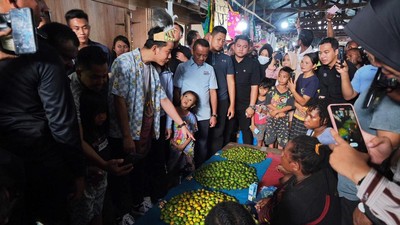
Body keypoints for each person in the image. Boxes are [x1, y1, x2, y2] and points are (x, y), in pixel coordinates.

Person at [0, 1, 85, 224]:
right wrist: (77, 172)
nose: (44, 6)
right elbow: (62, 123)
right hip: (39, 168)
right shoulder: (43, 54)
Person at [109, 26, 194, 216]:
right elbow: (119, 100)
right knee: (123, 176)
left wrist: (181, 124)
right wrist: (126, 136)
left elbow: (163, 98)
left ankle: (138, 205)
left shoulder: (151, 70)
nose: (170, 56)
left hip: (144, 133)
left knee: (139, 171)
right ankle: (122, 215)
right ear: (155, 48)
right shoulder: (124, 62)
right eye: (168, 51)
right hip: (126, 134)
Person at [329, 0, 400, 224]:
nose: (376, 60)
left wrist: (361, 176)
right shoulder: (387, 78)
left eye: (383, 53)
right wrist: (387, 149)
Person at [255, 136, 340, 225]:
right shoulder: (322, 167)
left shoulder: (294, 201)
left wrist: (267, 209)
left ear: (295, 166)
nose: (281, 155)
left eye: (284, 154)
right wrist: (271, 200)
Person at [173, 38, 218, 168]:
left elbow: (212, 92)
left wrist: (214, 114)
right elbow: (176, 89)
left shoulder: (209, 69)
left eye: (205, 55)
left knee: (202, 143)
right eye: (199, 54)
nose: (202, 58)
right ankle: (185, 171)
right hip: (184, 115)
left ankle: (200, 170)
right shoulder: (182, 67)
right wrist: (179, 110)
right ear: (192, 51)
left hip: (203, 114)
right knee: (183, 143)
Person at [70, 90, 110, 225]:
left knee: (98, 210)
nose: (102, 117)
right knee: (85, 214)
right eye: (97, 113)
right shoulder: (83, 136)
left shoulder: (102, 130)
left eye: (104, 112)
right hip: (87, 182)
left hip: (102, 179)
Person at [206, 26, 235, 155]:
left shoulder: (227, 59)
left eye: (223, 40)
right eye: (218, 39)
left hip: (222, 100)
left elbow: (231, 82)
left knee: (218, 132)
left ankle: (215, 160)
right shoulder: (203, 56)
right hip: (204, 100)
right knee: (203, 133)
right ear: (210, 37)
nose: (221, 43)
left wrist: (232, 104)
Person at [226, 35, 260, 145]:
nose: (241, 49)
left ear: (249, 48)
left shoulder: (253, 63)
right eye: (239, 46)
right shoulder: (228, 61)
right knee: (229, 132)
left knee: (246, 132)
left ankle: (247, 157)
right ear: (233, 46)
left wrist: (251, 106)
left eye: (244, 46)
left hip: (245, 104)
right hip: (229, 104)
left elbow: (255, 86)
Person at [288, 52, 320, 140]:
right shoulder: (301, 76)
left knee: (299, 141)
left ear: (314, 66)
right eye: (302, 62)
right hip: (296, 113)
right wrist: (296, 104)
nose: (303, 65)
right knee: (291, 139)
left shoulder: (313, 80)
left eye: (307, 63)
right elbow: (292, 97)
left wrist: (293, 90)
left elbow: (303, 101)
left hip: (305, 116)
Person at [317, 37, 357, 103]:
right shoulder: (322, 69)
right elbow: (322, 92)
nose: (322, 56)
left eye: (326, 52)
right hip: (326, 107)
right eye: (320, 53)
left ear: (336, 52)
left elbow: (352, 95)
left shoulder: (348, 68)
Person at [168, 90, 199, 176]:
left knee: (188, 168)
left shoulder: (192, 117)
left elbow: (192, 134)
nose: (187, 100)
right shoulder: (172, 112)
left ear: (193, 105)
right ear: (181, 97)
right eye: (186, 97)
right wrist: (172, 142)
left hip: (187, 147)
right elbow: (168, 129)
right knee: (172, 167)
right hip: (174, 145)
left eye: (190, 100)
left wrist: (183, 146)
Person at [264, 67, 295, 149]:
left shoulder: (289, 92)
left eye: (284, 77)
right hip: (272, 118)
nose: (281, 79)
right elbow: (267, 103)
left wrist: (278, 111)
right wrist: (276, 112)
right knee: (270, 139)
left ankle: (279, 159)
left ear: (289, 79)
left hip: (283, 120)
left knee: (282, 141)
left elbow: (290, 105)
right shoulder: (272, 89)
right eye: (280, 76)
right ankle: (271, 156)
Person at [250, 78, 273, 147]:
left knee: (262, 140)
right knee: (259, 141)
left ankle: (262, 152)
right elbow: (252, 112)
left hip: (265, 123)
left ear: (269, 90)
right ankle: (260, 153)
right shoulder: (255, 98)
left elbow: (270, 113)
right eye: (260, 88)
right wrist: (252, 124)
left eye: (265, 89)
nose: (262, 91)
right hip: (257, 123)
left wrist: (262, 111)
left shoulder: (269, 99)